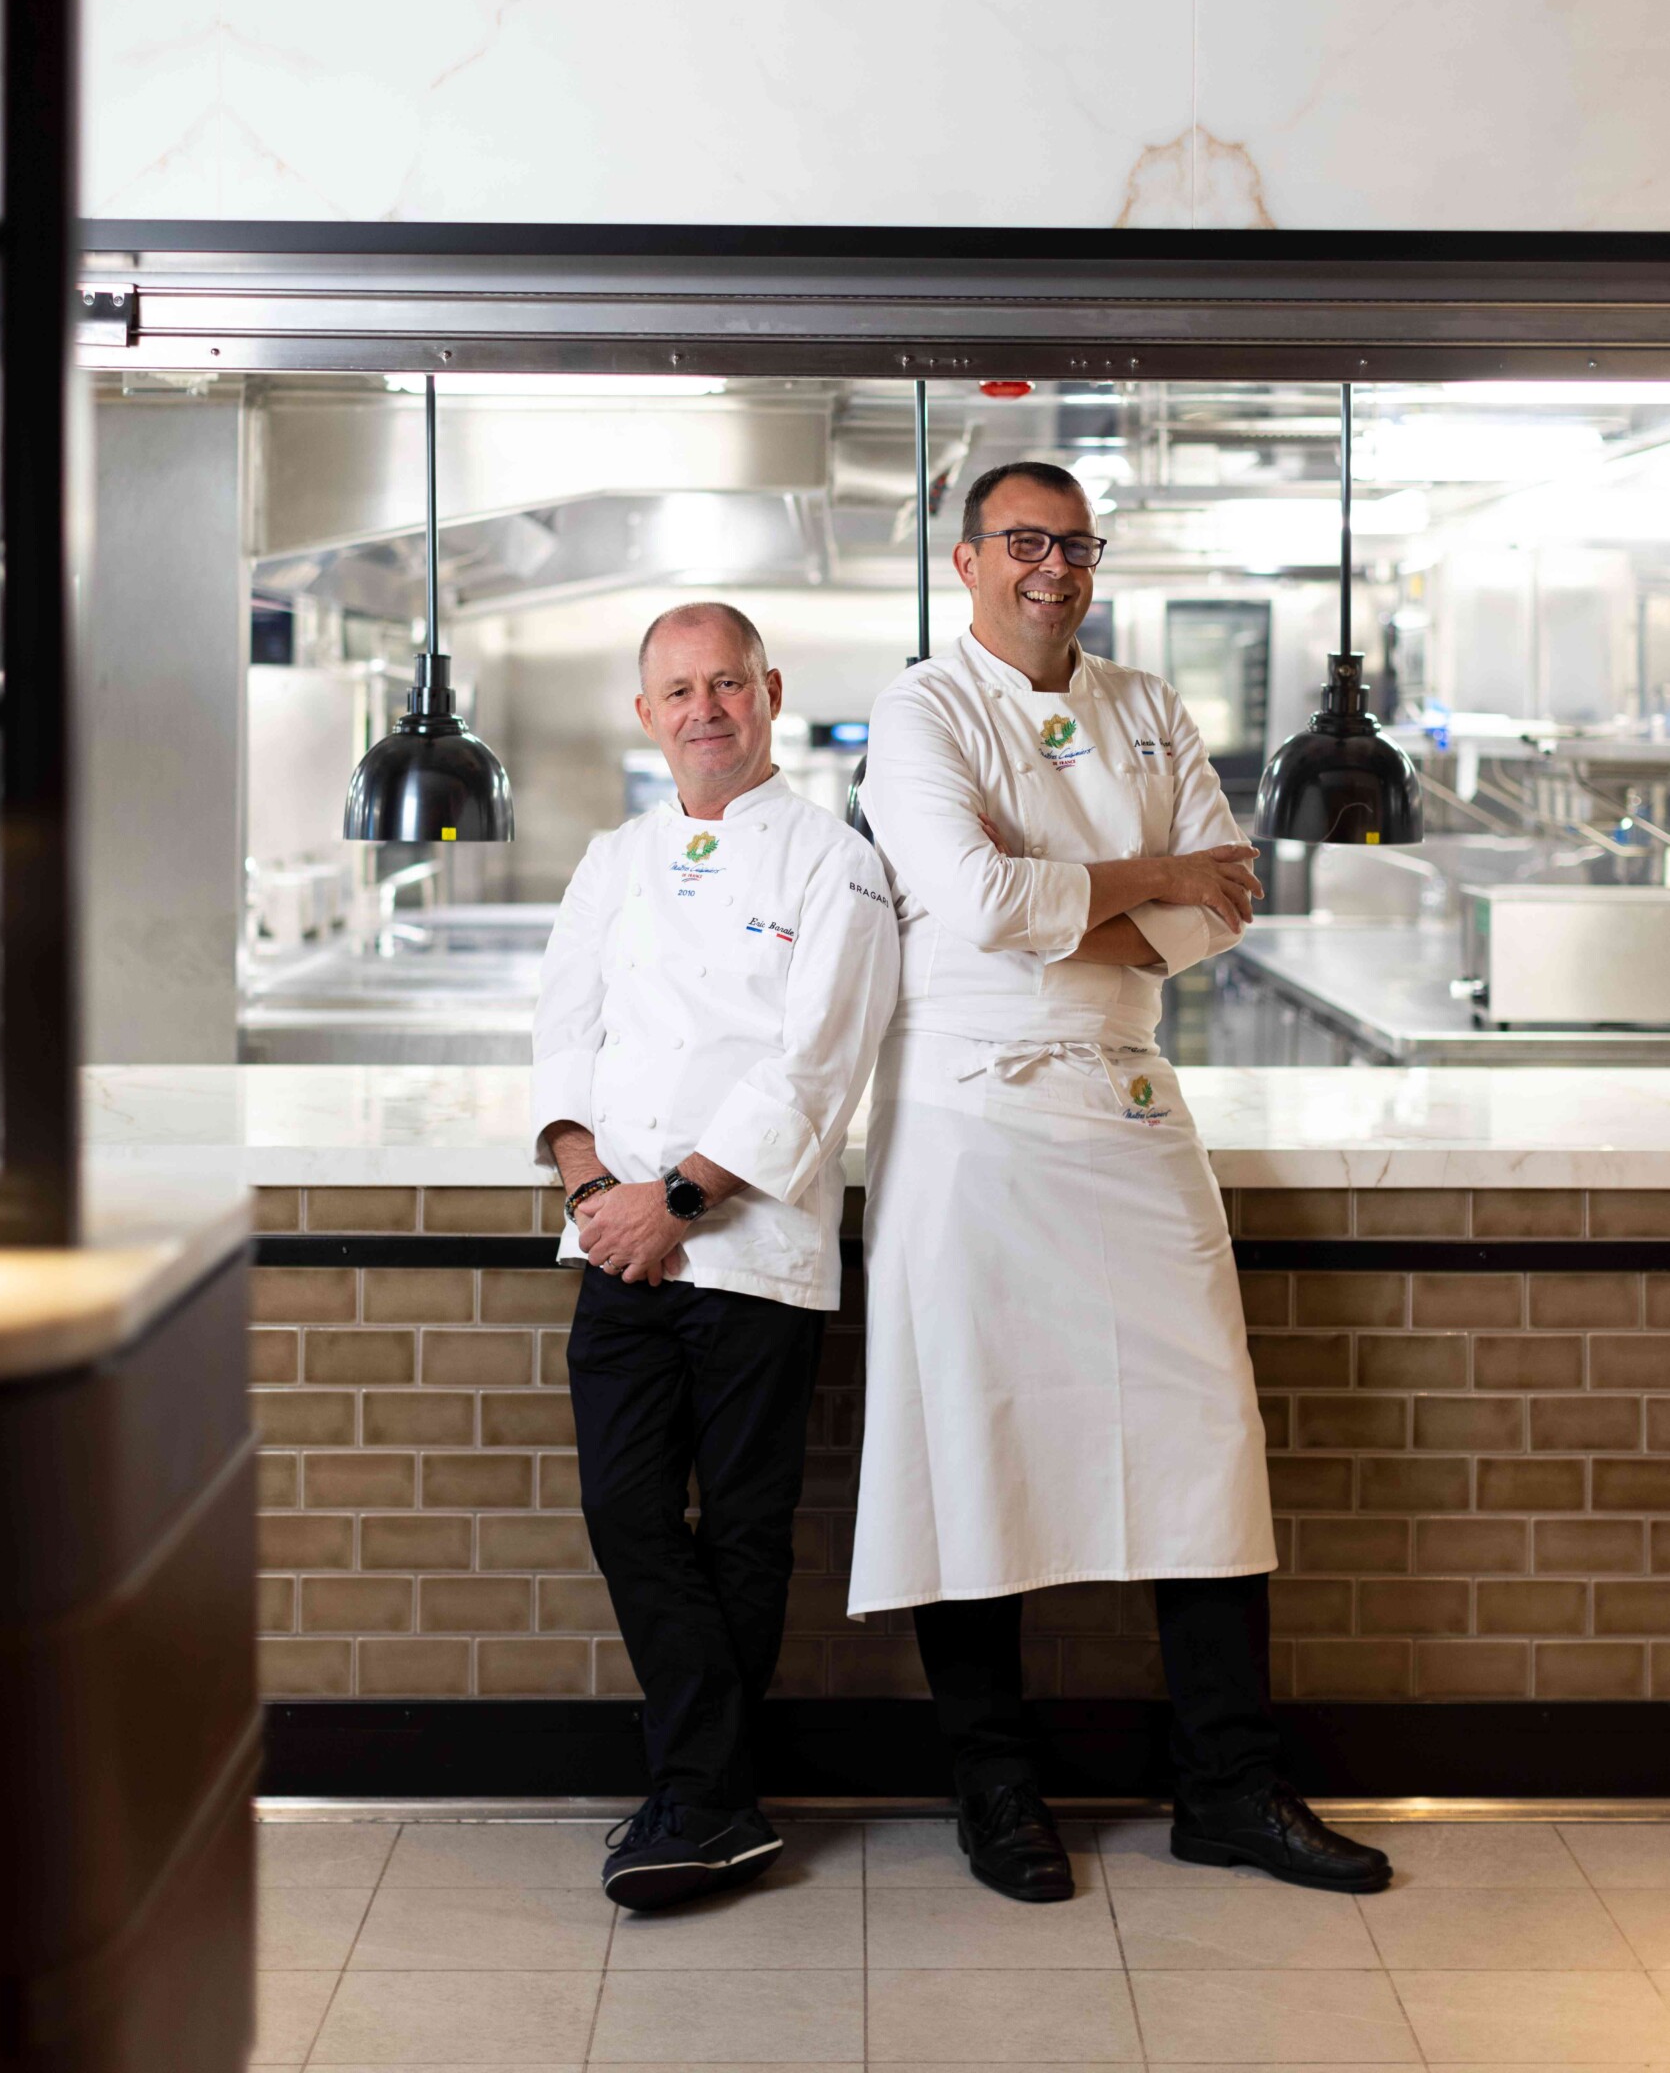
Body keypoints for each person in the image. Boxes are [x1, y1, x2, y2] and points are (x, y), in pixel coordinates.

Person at [848, 461, 1390, 1904]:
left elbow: (1216, 910)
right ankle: (997, 1794)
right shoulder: (921, 708)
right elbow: (969, 903)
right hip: (967, 1116)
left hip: (1133, 1095)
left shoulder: (1147, 703)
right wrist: (1138, 874)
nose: (1052, 568)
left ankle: (1224, 1789)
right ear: (965, 560)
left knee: (1205, 1432)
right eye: (1023, 542)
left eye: (1075, 546)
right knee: (971, 1447)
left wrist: (1072, 903)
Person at [533, 600, 899, 1911]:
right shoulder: (611, 860)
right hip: (618, 1253)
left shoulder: (834, 863)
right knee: (628, 1515)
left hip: (753, 1253)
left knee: (742, 1535)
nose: (705, 709)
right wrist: (594, 1192)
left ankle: (694, 1804)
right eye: (679, 690)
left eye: (727, 685)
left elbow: (818, 1068)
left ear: (769, 694)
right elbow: (562, 1043)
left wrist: (673, 1198)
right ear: (646, 714)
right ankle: (713, 1797)